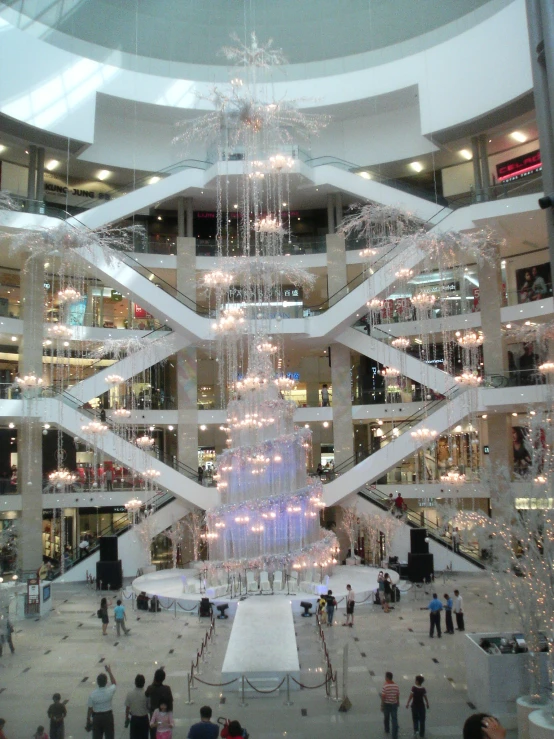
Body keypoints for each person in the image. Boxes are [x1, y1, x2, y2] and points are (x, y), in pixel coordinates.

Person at [86, 664, 116, 739]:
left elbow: (90, 709)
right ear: (106, 682)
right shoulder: (110, 691)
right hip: (108, 716)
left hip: (97, 717)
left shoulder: (93, 694)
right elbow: (114, 683)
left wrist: (88, 720)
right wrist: (109, 672)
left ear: (97, 682)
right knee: (109, 736)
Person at [146, 669, 173, 739]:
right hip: (165, 717)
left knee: (154, 735)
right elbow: (170, 702)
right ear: (164, 678)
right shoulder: (167, 689)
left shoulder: (150, 688)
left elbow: (146, 694)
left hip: (154, 716)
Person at [125, 674, 149, 739]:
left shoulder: (130, 694)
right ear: (144, 683)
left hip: (134, 719)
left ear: (135, 682)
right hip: (144, 719)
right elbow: (149, 707)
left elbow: (127, 708)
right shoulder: (146, 694)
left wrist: (127, 718)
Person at [380, 671, 400, 739]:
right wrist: (398, 702)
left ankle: (387, 729)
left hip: (386, 704)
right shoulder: (396, 686)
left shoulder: (385, 686)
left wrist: (382, 705)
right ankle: (395, 735)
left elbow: (383, 696)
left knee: (386, 717)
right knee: (394, 719)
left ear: (387, 678)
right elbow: (397, 695)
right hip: (394, 704)